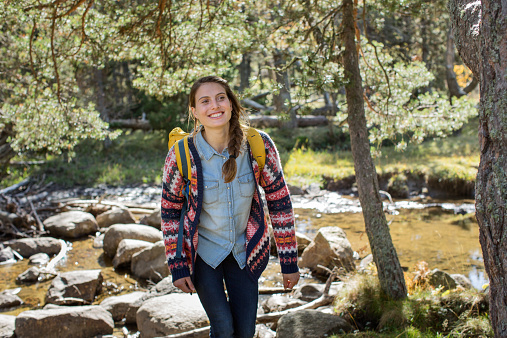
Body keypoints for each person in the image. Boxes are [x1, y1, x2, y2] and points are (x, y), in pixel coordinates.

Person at [161, 75, 299, 338]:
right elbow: (170, 211)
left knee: (245, 332)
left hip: (245, 253)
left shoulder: (259, 146)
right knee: (223, 327)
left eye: (221, 98)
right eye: (205, 101)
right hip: (203, 255)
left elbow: (280, 203)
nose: (214, 105)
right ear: (194, 111)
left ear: (232, 104)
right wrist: (177, 265)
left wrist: (289, 260)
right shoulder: (181, 154)